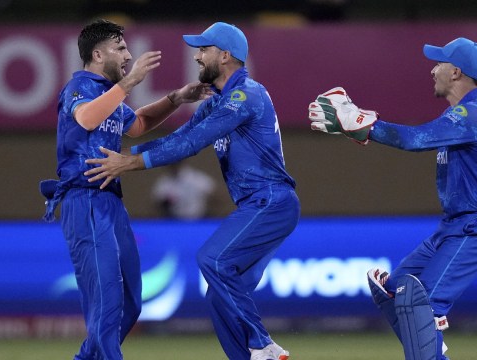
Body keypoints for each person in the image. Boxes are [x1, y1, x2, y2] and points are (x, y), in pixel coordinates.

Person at [84, 22, 299, 360]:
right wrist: (128, 157)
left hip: (271, 202)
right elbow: (176, 139)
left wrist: (128, 164)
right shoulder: (220, 102)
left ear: (225, 55)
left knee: (211, 259)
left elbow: (191, 144)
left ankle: (263, 344)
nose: (197, 57)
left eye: (204, 49)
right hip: (258, 205)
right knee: (218, 294)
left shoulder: (246, 95)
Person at [308, 37, 477, 360]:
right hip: (455, 226)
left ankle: (429, 338)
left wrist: (363, 125)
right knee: (393, 290)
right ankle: (430, 345)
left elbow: (415, 139)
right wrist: (359, 126)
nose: (433, 70)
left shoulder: (474, 113)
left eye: (440, 63)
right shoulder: (467, 114)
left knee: (420, 302)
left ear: (456, 72)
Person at [39, 19, 211, 360]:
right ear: (98, 54)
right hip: (84, 201)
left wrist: (176, 98)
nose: (128, 55)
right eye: (120, 48)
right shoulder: (80, 87)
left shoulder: (109, 97)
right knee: (106, 303)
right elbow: (86, 118)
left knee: (130, 303)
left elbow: (139, 125)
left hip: (110, 205)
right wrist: (131, 82)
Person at [151, 161, 216, 219]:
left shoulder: (195, 177)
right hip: (175, 220)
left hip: (198, 219)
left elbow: (215, 194)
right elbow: (157, 202)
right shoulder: (164, 182)